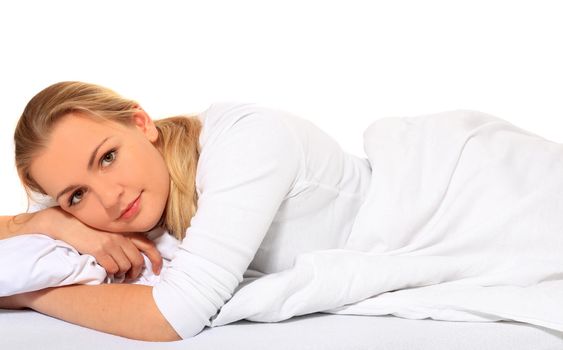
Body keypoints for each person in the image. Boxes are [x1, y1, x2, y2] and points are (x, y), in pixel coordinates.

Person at [0, 81, 371, 341]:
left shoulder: (245, 142)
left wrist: (26, 294)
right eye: (77, 195)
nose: (109, 198)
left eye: (108, 157)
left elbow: (175, 316)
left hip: (418, 213)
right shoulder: (96, 206)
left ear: (141, 123)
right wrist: (48, 222)